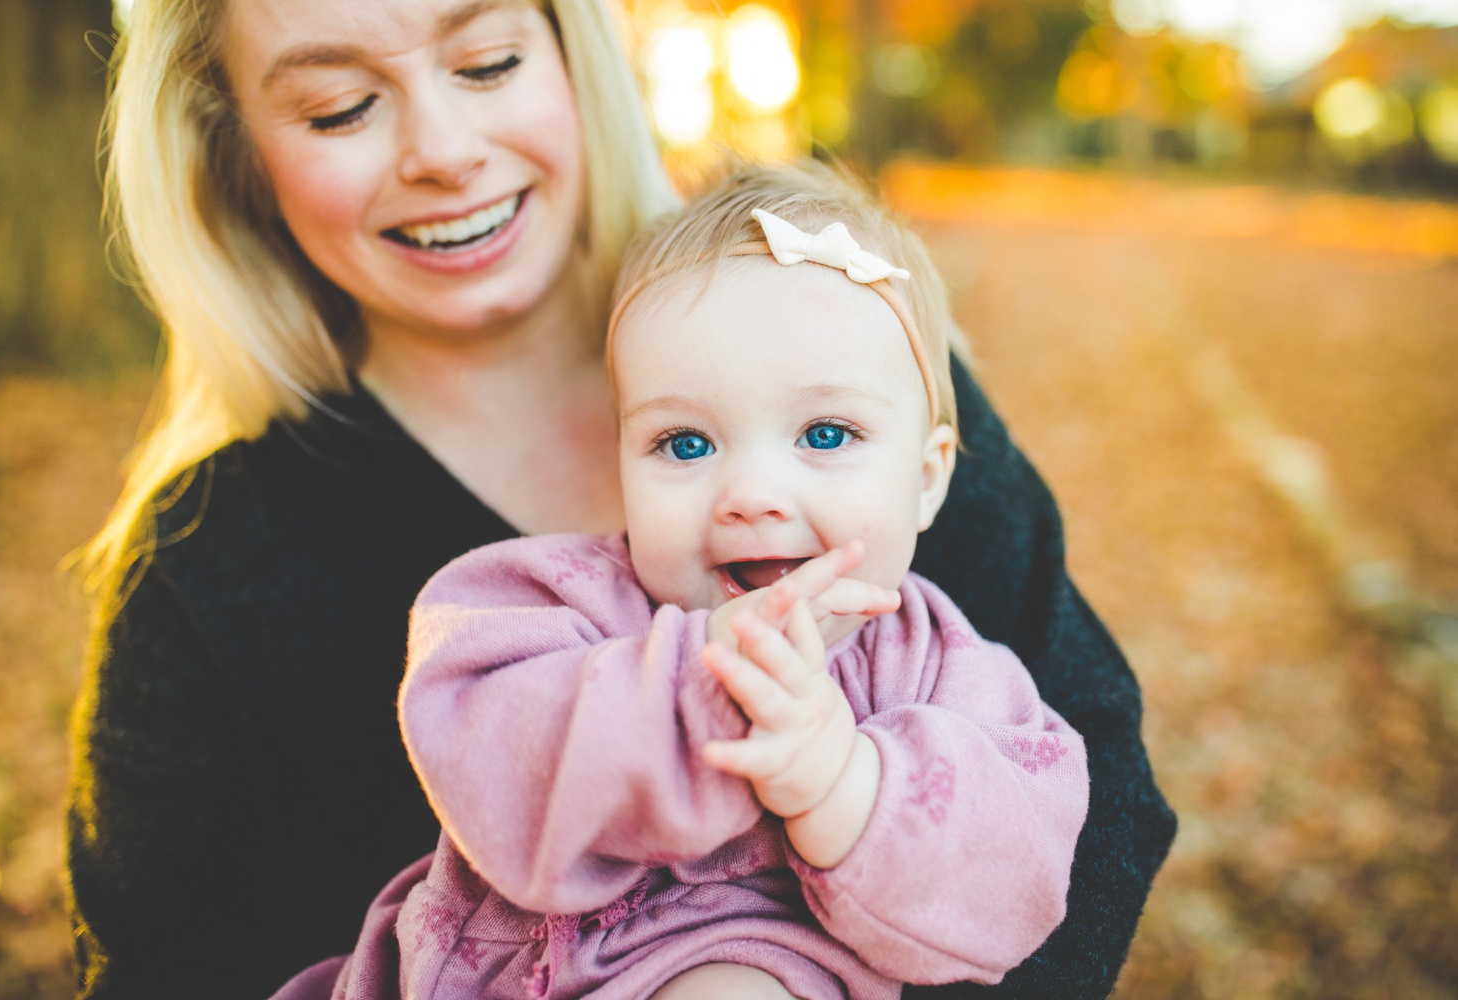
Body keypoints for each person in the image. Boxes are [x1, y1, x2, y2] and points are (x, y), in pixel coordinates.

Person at [64, 0, 1176, 997]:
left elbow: (1087, 798)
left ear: (567, 49)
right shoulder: (212, 570)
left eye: (489, 61)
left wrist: (845, 791)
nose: (445, 152)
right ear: (239, 158)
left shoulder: (851, 348)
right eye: (342, 107)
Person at [270, 164, 1091, 1000]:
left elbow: (1020, 868)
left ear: (927, 478)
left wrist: (843, 781)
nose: (753, 498)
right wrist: (707, 684)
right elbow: (484, 737)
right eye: (687, 445)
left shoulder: (943, 670)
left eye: (827, 433)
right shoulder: (558, 603)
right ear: (619, 459)